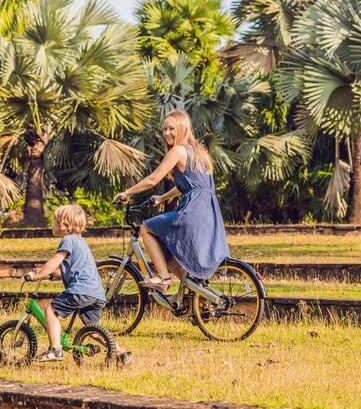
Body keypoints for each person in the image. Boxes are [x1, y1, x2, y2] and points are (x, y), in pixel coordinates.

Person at [112, 109, 230, 293]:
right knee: (171, 260)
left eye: (171, 129)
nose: (167, 133)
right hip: (209, 213)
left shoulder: (178, 151)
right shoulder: (200, 152)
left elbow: (153, 179)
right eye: (165, 129)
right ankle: (201, 296)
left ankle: (162, 278)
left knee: (146, 228)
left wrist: (127, 192)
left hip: (193, 211)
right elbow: (192, 186)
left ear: (182, 128)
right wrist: (162, 198)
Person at [24, 204, 131, 365]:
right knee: (94, 329)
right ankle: (120, 353)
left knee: (51, 311)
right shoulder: (80, 242)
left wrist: (37, 275)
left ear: (64, 225)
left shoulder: (67, 240)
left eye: (54, 220)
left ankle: (55, 349)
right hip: (95, 293)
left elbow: (55, 261)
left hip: (80, 290)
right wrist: (53, 275)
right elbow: (72, 269)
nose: (51, 223)